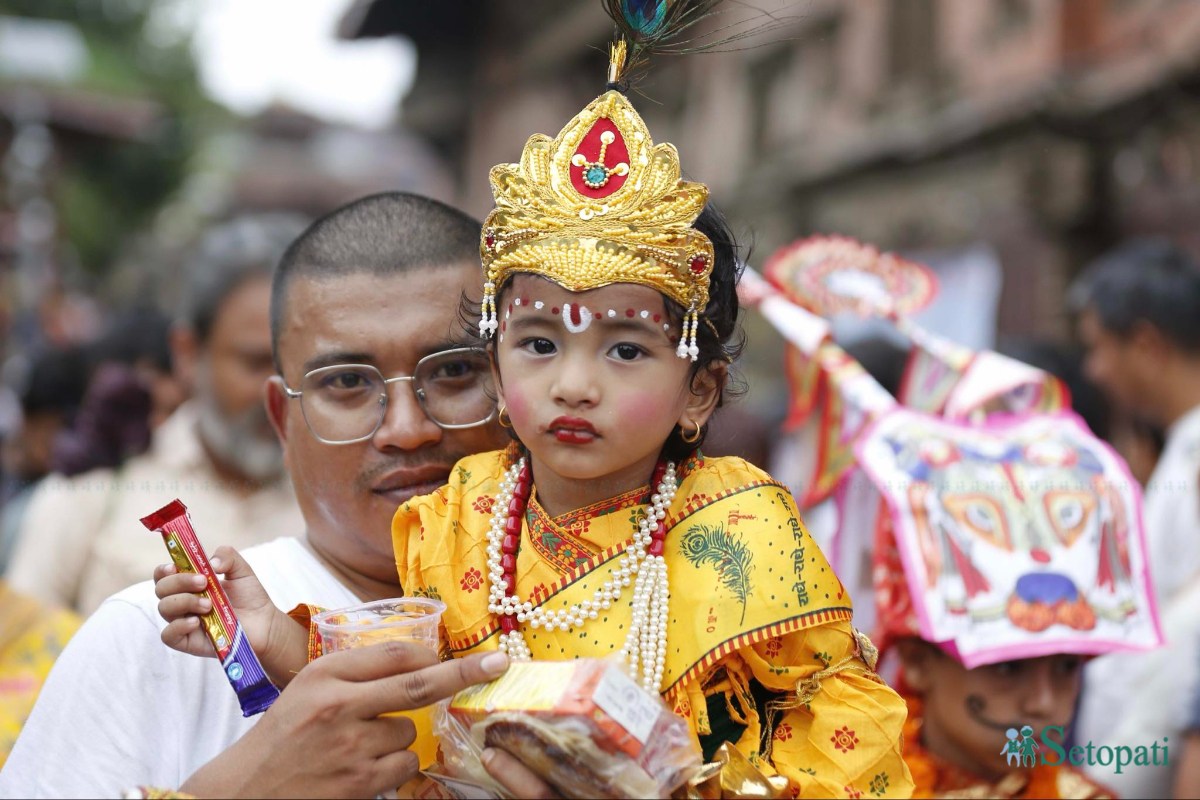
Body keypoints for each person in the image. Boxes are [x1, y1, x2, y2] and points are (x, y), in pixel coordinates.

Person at [159, 53, 914, 797]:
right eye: (540, 344)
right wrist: (275, 639)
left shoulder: (740, 529)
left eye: (625, 349)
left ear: (700, 392)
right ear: (495, 361)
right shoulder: (458, 515)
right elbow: (417, 706)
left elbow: (851, 746)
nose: (574, 385)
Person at [0, 192, 511, 799]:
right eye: (347, 382)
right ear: (281, 418)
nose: (407, 428)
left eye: (453, 371)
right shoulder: (147, 642)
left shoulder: (624, 604)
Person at [6, 214, 308, 615]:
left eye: (307, 366)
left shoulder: (346, 507)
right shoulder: (99, 487)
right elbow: (20, 663)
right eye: (257, 363)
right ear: (187, 352)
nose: (281, 391)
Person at [1069, 239, 1200, 795]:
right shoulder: (1184, 451)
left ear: (1145, 344)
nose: (1094, 371)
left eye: (1098, 348)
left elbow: (1189, 638)